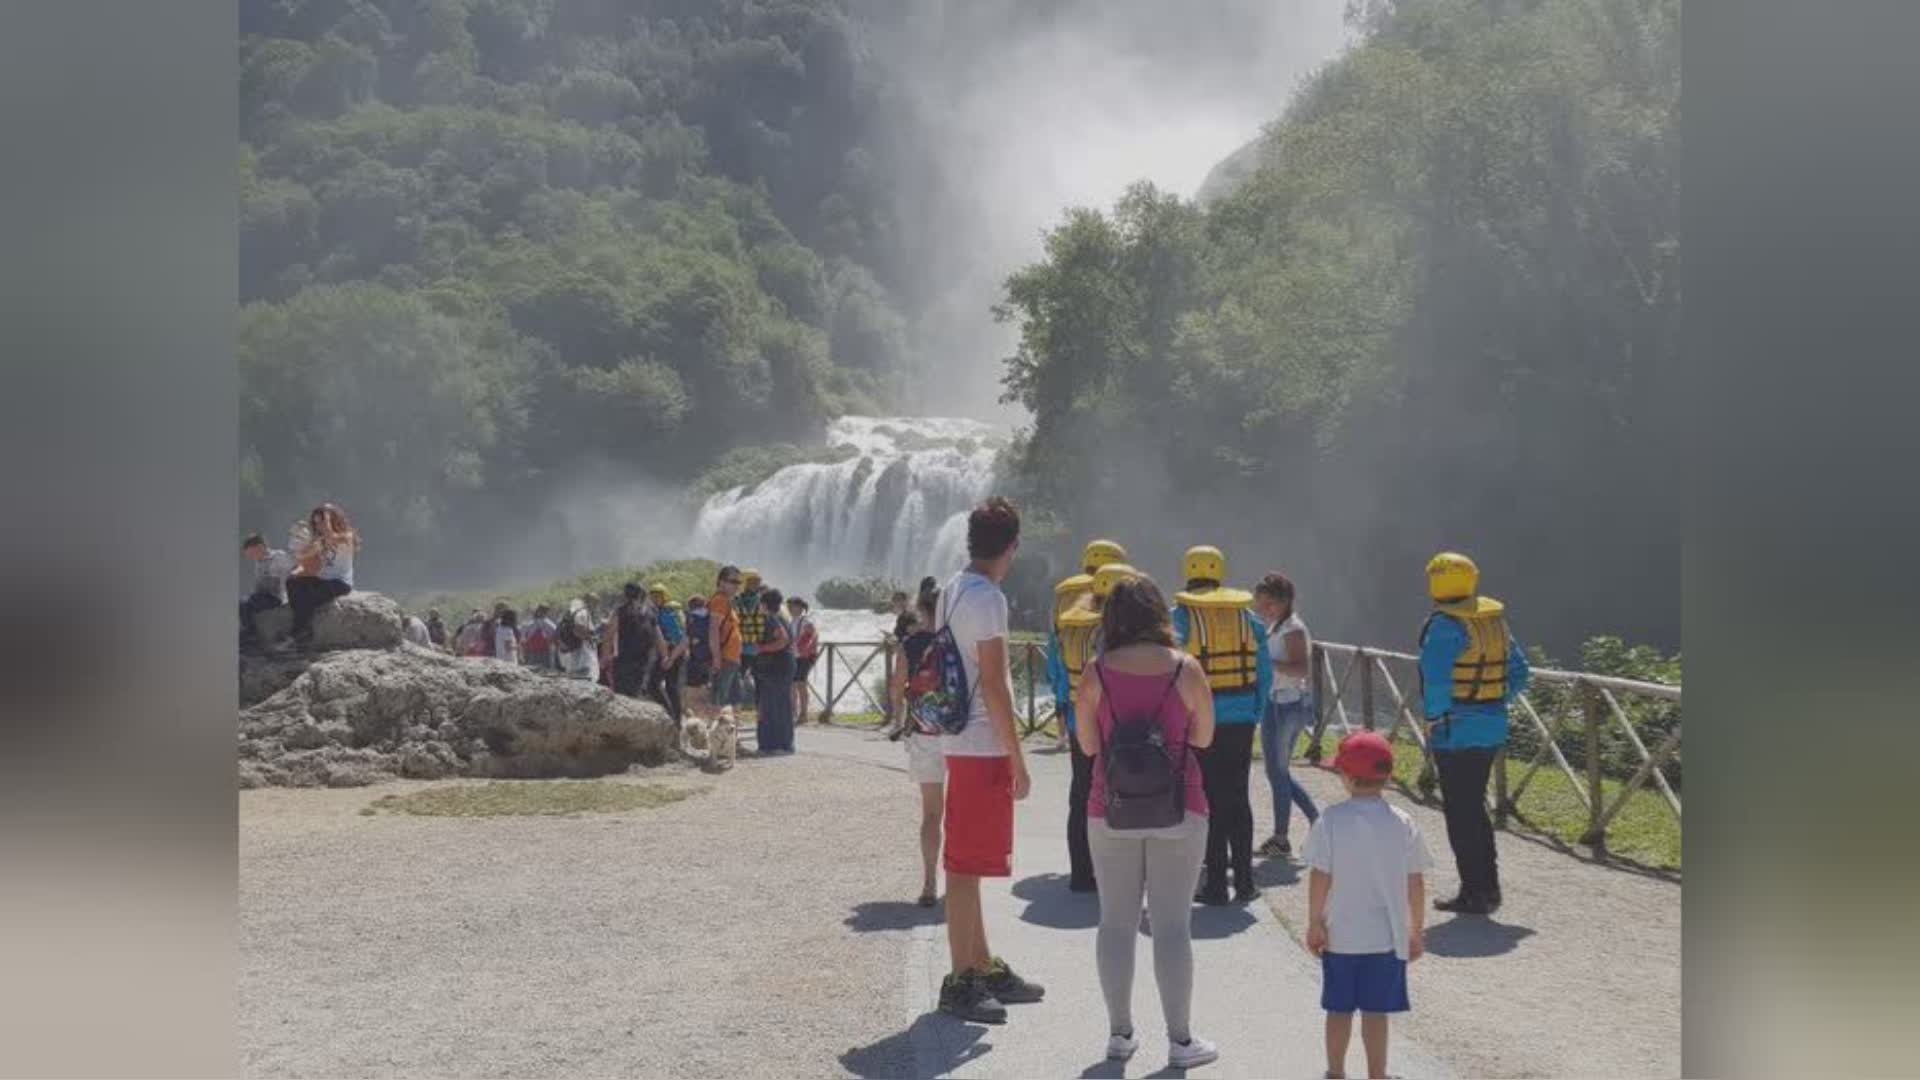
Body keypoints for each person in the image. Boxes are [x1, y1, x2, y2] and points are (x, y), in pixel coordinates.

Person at [1074, 574, 1221, 1068]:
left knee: (1115, 921)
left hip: (1109, 806)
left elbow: (1090, 747)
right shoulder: (1187, 669)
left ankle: (1119, 1036)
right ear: (1160, 614)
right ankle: (1181, 1043)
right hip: (1181, 804)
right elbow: (1203, 739)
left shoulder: (1095, 672)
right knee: (1172, 924)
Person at [935, 496, 1044, 1025]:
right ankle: (960, 980)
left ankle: (979, 963)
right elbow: (998, 685)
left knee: (970, 861)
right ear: (1012, 547)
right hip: (982, 743)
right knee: (963, 864)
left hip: (960, 737)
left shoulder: (953, 589)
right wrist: (1017, 757)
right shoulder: (990, 598)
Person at [1305, 731, 1433, 1080]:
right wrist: (1415, 929)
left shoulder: (1330, 821)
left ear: (1345, 777)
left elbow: (1320, 876)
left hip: (1341, 936)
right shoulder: (1403, 823)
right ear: (1387, 776)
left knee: (1339, 1010)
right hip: (1386, 938)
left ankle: (1336, 1073)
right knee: (1377, 1014)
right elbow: (1415, 882)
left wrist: (1315, 922)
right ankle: (1378, 1074)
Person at [1419, 551, 1530, 916]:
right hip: (1491, 725)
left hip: (1456, 732)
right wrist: (1493, 701)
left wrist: (1433, 718)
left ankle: (1474, 892)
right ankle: (1488, 887)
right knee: (1475, 808)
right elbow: (1519, 673)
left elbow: (1435, 682)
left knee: (1461, 813)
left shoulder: (1443, 627)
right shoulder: (1493, 622)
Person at [1171, 545, 1272, 905]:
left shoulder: (1181, 617)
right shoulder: (1250, 619)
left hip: (1201, 721)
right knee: (1238, 797)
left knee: (1208, 799)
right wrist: (1255, 710)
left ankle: (1215, 884)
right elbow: (1265, 671)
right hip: (1242, 717)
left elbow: (1174, 671)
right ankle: (1245, 882)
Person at [1047, 539, 1131, 893]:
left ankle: (1081, 874)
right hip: (1121, 717)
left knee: (1081, 791)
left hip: (1078, 706)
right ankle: (1117, 872)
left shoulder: (1068, 606)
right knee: (1122, 790)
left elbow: (1055, 656)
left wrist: (1062, 700)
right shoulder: (1128, 611)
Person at [1254, 572, 1320, 857]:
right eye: (1259, 604)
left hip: (1286, 706)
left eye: (1266, 604)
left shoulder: (1292, 629)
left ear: (1282, 603)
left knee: (1278, 773)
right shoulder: (1276, 626)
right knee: (1276, 772)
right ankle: (1314, 824)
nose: (1261, 609)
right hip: (1276, 703)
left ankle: (1288, 835)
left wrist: (1266, 663)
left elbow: (1300, 669)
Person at [887, 581, 944, 907]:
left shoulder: (909, 643)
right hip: (960, 733)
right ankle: (961, 880)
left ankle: (929, 883)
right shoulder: (958, 640)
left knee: (932, 813)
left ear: (920, 610)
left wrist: (898, 718)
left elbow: (897, 686)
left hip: (924, 731)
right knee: (961, 813)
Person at [284, 503, 359, 650]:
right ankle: (301, 627)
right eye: (316, 523)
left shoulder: (347, 536)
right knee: (292, 582)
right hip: (322, 579)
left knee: (308, 598)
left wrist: (328, 517)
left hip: (340, 582)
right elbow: (303, 557)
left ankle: (299, 633)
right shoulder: (320, 540)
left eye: (322, 521)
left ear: (333, 520)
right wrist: (299, 555)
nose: (319, 526)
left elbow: (331, 537)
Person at [752, 587, 797, 754]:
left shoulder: (771, 618)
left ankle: (771, 745)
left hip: (775, 665)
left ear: (764, 604)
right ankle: (785, 744)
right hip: (786, 663)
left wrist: (762, 648)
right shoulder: (783, 616)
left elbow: (783, 639)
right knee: (782, 704)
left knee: (769, 704)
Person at [239, 532, 295, 650]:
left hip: (276, 596)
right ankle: (248, 631)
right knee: (243, 602)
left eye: (252, 553)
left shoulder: (278, 556)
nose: (252, 557)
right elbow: (260, 583)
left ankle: (252, 634)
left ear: (260, 547)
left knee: (244, 603)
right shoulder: (259, 562)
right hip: (264, 594)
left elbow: (291, 573)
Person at [609, 583, 665, 699]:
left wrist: (604, 656)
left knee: (621, 694)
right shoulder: (650, 613)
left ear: (625, 595)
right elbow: (658, 637)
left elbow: (609, 634)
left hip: (623, 659)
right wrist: (665, 656)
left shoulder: (620, 611)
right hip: (643, 660)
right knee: (637, 692)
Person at [648, 584, 688, 726]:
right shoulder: (658, 612)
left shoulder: (668, 612)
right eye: (652, 596)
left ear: (664, 597)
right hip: (667, 653)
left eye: (657, 596)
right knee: (663, 686)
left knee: (663, 686)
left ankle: (673, 718)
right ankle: (672, 716)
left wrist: (671, 657)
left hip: (672, 653)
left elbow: (680, 637)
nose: (654, 599)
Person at [707, 566, 746, 712]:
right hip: (724, 658)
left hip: (731, 658)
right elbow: (713, 631)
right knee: (720, 700)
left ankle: (729, 732)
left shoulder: (727, 601)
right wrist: (716, 658)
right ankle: (717, 732)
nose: (736, 585)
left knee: (733, 699)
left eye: (738, 582)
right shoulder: (719, 601)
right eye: (733, 581)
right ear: (721, 582)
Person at [787, 596, 820, 724]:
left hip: (804, 657)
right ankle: (793, 712)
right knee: (793, 684)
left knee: (801, 684)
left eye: (792, 606)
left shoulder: (806, 621)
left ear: (800, 608)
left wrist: (799, 646)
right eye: (789, 606)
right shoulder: (792, 621)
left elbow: (811, 636)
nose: (789, 608)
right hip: (794, 656)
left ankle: (804, 713)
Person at [556, 597, 599, 682]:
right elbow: (577, 628)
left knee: (574, 674)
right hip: (581, 650)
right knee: (585, 673)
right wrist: (589, 638)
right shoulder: (583, 612)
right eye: (595, 603)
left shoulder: (570, 612)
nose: (596, 606)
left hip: (572, 649)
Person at [685, 594, 713, 691]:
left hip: (696, 653)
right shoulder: (711, 615)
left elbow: (689, 633)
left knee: (693, 685)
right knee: (705, 681)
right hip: (709, 653)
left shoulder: (691, 616)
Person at [523, 603, 559, 670]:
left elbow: (525, 636)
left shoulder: (531, 622)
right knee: (542, 669)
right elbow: (555, 632)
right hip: (540, 650)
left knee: (534, 669)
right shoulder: (546, 622)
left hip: (536, 650)